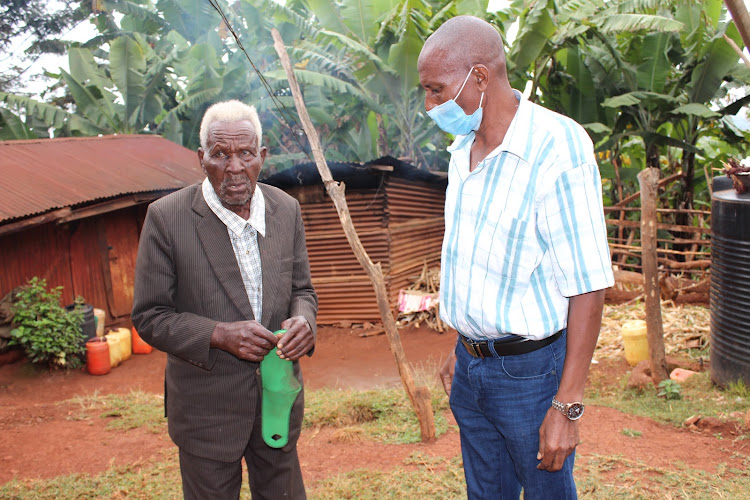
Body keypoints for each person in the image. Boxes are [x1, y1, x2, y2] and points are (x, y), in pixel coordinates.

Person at [418, 16, 614, 499]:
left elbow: (588, 283)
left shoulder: (556, 147)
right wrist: (466, 343)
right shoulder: (462, 150)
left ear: (480, 77)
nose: (430, 106)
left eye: (437, 90)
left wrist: (567, 407)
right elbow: (483, 263)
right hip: (472, 369)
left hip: (529, 377)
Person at [131, 99, 317, 500]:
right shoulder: (167, 218)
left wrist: (304, 322)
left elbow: (302, 291)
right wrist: (218, 334)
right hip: (206, 412)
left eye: (246, 153)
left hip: (277, 399)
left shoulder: (286, 210)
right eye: (221, 154)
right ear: (202, 157)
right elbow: (150, 316)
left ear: (262, 156)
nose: (234, 167)